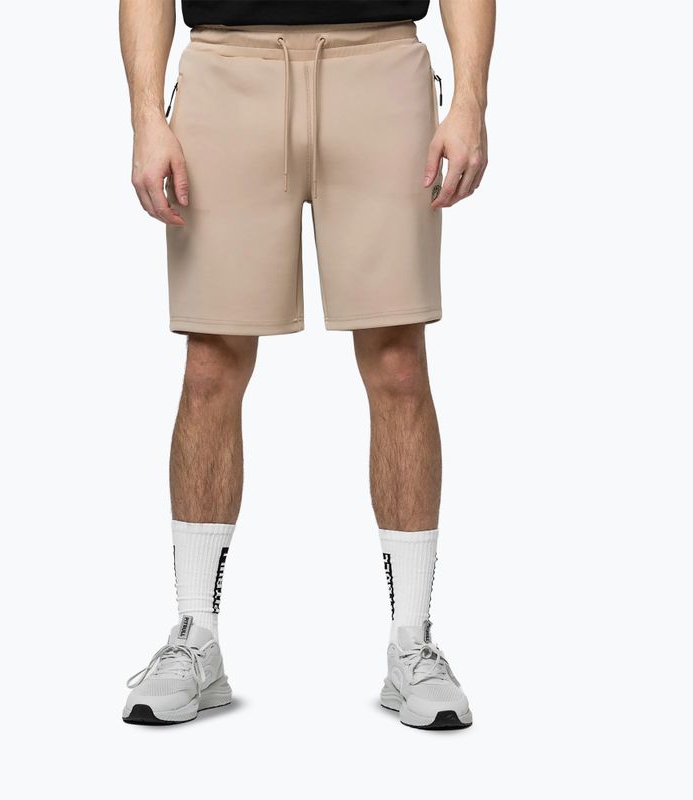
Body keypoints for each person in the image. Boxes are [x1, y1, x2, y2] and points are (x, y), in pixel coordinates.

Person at [119, 0, 494, 729]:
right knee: (210, 365)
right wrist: (144, 116)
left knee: (398, 363)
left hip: (382, 68)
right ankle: (195, 636)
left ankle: (412, 642)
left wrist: (471, 101)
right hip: (227, 71)